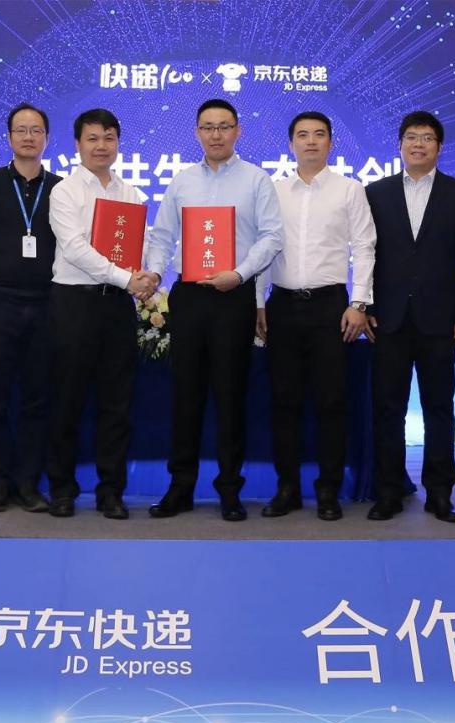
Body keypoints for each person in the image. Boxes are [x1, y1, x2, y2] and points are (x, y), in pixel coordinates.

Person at [144, 99, 284, 521]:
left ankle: (229, 490)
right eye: (208, 127)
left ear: (238, 131)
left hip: (232, 295)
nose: (216, 134)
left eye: (224, 126)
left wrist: (239, 274)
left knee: (230, 395)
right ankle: (180, 488)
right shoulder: (182, 181)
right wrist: (154, 274)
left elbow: (271, 237)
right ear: (197, 133)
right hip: (189, 296)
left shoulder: (257, 180)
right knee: (185, 396)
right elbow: (162, 236)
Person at [255, 111, 375, 521]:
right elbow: (262, 249)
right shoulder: (274, 191)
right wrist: (258, 302)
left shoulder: (349, 190)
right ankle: (287, 488)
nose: (310, 141)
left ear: (331, 143)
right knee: (284, 402)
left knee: (331, 402)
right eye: (302, 135)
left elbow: (365, 247)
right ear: (290, 144)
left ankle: (328, 491)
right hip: (282, 305)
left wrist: (359, 303)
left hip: (331, 307)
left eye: (319, 134)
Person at [365, 111, 455, 523]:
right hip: (388, 320)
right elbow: (364, 255)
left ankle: (440, 494)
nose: (419, 144)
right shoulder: (374, 193)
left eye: (427, 138)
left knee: (439, 409)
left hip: (440, 320)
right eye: (412, 137)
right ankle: (389, 492)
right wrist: (366, 307)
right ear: (399, 144)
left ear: (439, 147)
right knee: (388, 410)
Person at [45, 108, 156, 519]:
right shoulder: (65, 191)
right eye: (92, 138)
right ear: (77, 144)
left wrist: (148, 275)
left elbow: (140, 245)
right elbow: (75, 248)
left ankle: (111, 491)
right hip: (74, 302)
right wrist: (128, 279)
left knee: (116, 403)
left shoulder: (130, 193)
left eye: (109, 138)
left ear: (118, 143)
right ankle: (62, 489)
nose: (101, 146)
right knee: (67, 400)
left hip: (116, 306)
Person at [0, 103, 63, 513]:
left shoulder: (60, 188)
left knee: (38, 397)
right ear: (8, 138)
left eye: (36, 130)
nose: (28, 137)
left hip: (46, 302)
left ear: (46, 138)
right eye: (21, 130)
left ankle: (29, 483)